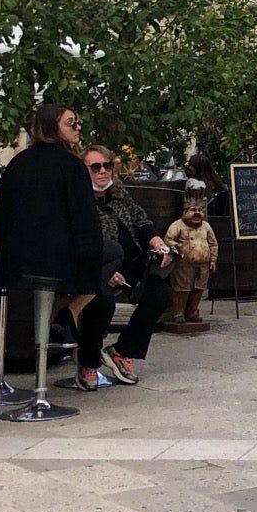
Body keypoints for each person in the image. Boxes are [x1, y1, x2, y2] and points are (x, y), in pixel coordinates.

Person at [0, 104, 103, 373]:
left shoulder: (18, 162)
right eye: (71, 123)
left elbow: (2, 212)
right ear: (53, 128)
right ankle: (70, 311)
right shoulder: (72, 166)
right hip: (56, 263)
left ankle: (63, 315)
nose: (78, 128)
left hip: (15, 261)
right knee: (110, 259)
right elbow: (85, 220)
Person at [79, 144, 175, 386]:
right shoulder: (78, 201)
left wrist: (157, 243)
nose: (103, 171)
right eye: (96, 167)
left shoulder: (119, 194)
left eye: (107, 165)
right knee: (102, 300)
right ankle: (88, 362)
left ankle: (122, 351)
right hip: (96, 269)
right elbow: (79, 242)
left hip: (131, 266)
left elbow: (142, 222)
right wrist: (106, 270)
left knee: (160, 293)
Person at [163, 192, 219, 330]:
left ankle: (192, 312)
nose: (197, 213)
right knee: (182, 290)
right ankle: (178, 313)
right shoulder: (178, 225)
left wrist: (212, 259)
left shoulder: (206, 226)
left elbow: (213, 244)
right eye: (193, 210)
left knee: (198, 290)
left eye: (200, 210)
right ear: (185, 211)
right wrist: (178, 250)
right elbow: (168, 241)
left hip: (203, 265)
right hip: (183, 265)